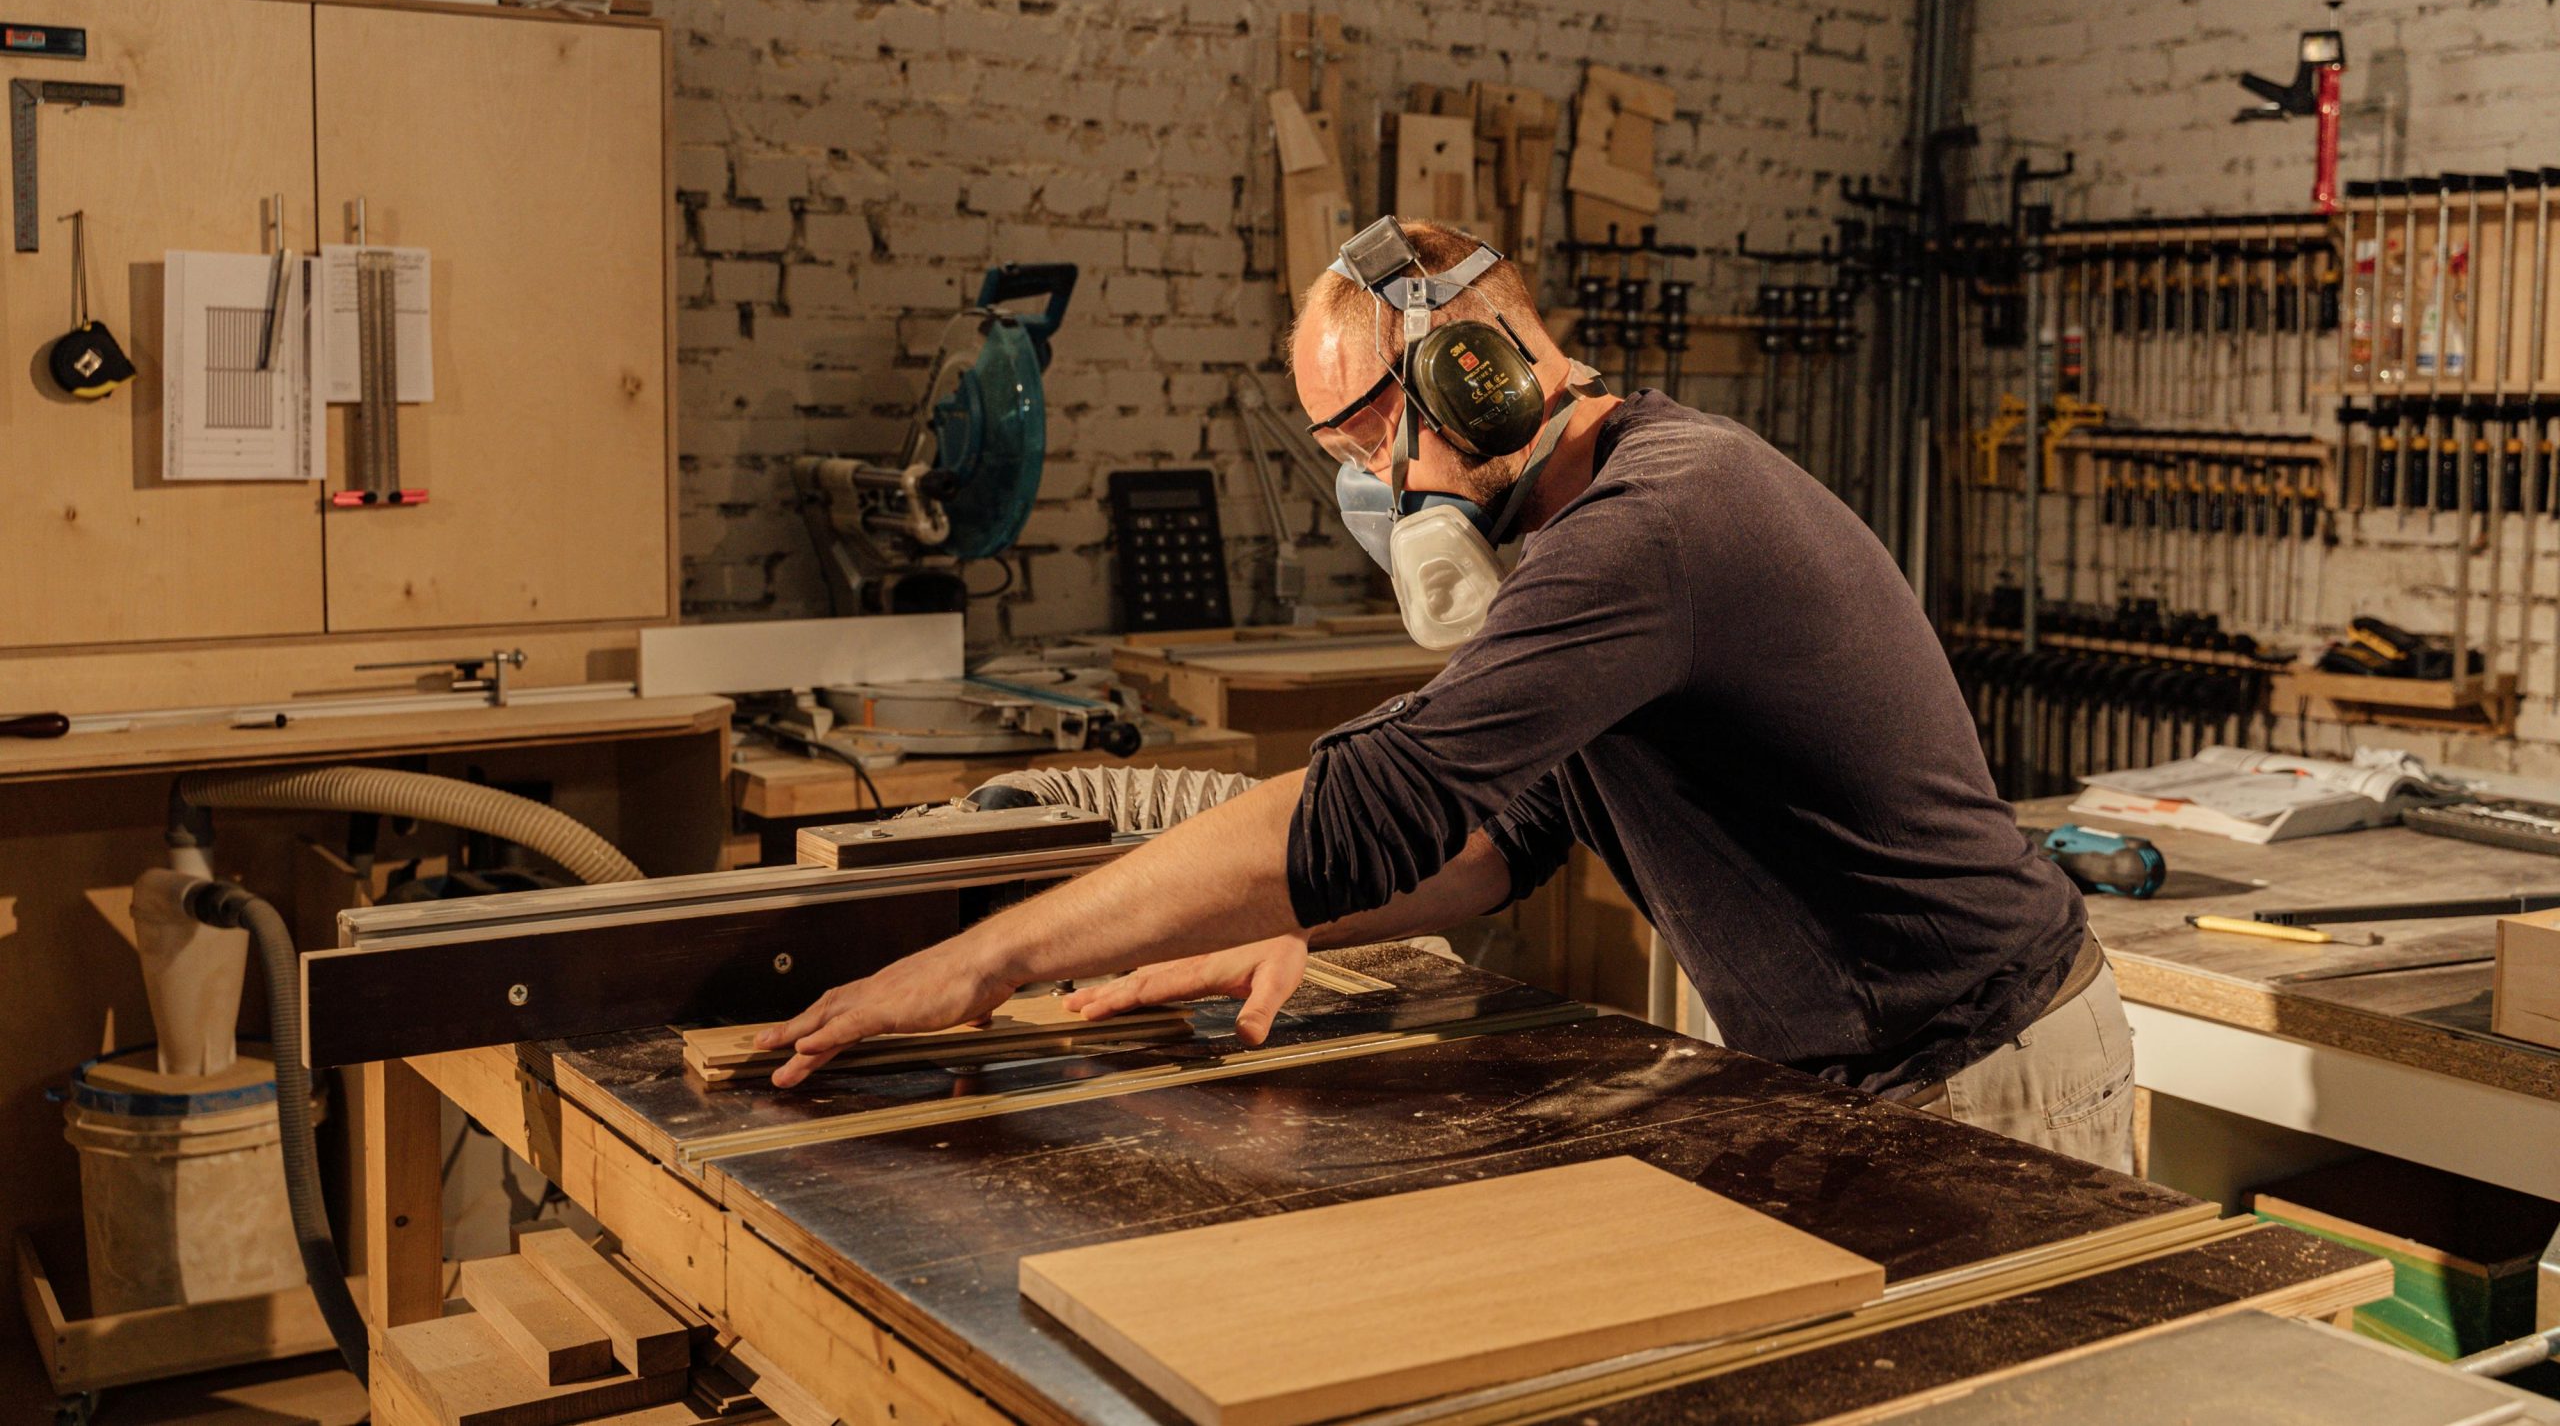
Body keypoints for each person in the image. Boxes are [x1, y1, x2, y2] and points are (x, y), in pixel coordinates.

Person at [756, 218, 2137, 1171]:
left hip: (1976, 1065)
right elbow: (1493, 841)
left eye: (1371, 431)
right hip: (1876, 1062)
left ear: (1473, 372)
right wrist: (1292, 913)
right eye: (1339, 449)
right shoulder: (1601, 526)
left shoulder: (1656, 522)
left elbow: (1390, 799)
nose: (1371, 480)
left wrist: (984, 959)